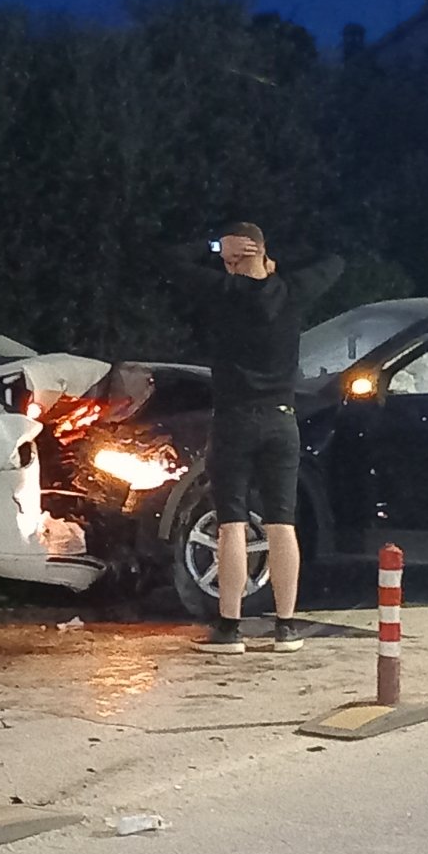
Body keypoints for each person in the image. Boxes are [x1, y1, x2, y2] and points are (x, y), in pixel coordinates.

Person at [165, 223, 344, 654]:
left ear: (232, 258)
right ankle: (285, 627)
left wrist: (212, 244)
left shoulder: (222, 293)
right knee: (283, 523)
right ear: (266, 255)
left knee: (232, 524)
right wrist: (272, 254)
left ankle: (230, 628)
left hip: (233, 421)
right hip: (283, 421)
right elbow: (335, 256)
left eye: (227, 259)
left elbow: (170, 260)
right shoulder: (293, 291)